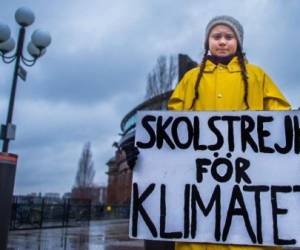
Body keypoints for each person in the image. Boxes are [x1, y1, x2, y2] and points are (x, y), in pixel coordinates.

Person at [167, 15, 290, 250]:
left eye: (229, 37)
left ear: (239, 42)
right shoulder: (190, 79)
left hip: (249, 182)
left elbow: (279, 120)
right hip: (200, 183)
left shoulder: (257, 76)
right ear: (207, 42)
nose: (222, 42)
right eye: (216, 36)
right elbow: (171, 127)